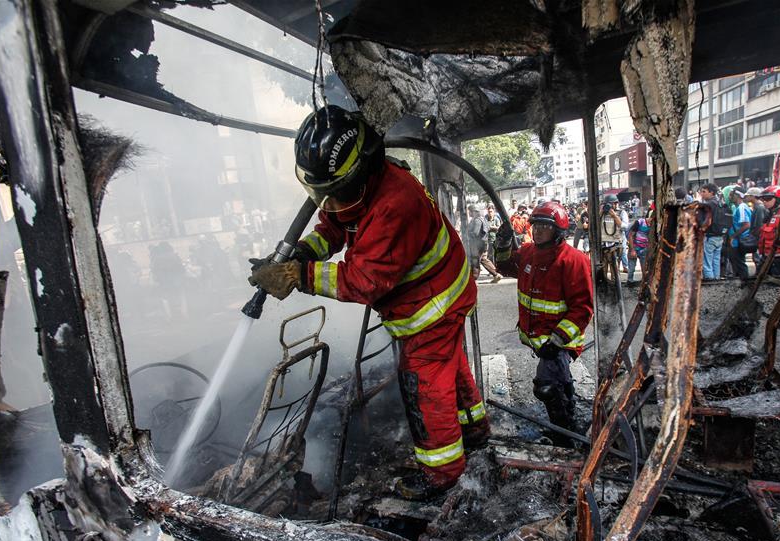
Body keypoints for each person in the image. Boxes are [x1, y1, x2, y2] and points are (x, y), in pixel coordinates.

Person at [248, 105, 489, 500]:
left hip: (434, 306)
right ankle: (474, 429)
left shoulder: (395, 204)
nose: (330, 203)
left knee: (424, 384)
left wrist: (298, 276)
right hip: (444, 292)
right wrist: (302, 254)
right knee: (451, 366)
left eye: (335, 194)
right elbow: (333, 226)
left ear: (362, 171)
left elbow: (364, 281)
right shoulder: (356, 191)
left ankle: (443, 474)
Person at [494, 201, 593, 438]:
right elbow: (504, 267)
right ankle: (568, 412)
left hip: (559, 342)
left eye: (544, 226)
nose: (537, 230)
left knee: (546, 386)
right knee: (558, 382)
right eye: (535, 225)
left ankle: (565, 436)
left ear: (558, 230)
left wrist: (557, 341)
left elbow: (582, 308)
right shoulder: (528, 252)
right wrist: (503, 242)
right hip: (540, 339)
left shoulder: (573, 260)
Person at [466, 205, 503, 282]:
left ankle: (473, 279)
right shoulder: (482, 219)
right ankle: (496, 274)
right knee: (484, 259)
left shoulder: (477, 220)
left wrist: (467, 234)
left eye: (470, 211)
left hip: (478, 245)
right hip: (483, 244)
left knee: (475, 261)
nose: (469, 213)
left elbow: (475, 233)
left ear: (474, 212)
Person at [698, 183, 726, 280]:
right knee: (716, 261)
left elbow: (707, 221)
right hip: (719, 236)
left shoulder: (708, 205)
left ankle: (710, 281)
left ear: (711, 192)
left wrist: (701, 229)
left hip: (710, 236)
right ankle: (716, 280)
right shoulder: (720, 203)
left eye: (704, 191)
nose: (702, 194)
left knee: (707, 262)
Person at [727, 187, 754, 278]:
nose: (729, 197)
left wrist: (733, 236)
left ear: (737, 195)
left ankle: (744, 282)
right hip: (736, 240)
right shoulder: (737, 207)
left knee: (739, 264)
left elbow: (746, 225)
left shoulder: (742, 208)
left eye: (731, 195)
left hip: (738, 241)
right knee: (736, 263)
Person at [599, 195, 623, 280]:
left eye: (613, 204)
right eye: (608, 204)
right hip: (602, 245)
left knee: (615, 271)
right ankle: (605, 285)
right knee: (603, 270)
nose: (610, 206)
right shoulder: (601, 213)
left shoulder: (621, 213)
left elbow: (623, 226)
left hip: (615, 245)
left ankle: (615, 286)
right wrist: (600, 213)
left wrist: (614, 216)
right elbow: (593, 226)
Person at [626, 210, 653, 283]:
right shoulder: (639, 222)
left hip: (644, 249)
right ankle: (630, 282)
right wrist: (632, 250)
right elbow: (631, 235)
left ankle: (644, 283)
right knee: (631, 268)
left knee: (645, 268)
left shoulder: (653, 225)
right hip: (634, 247)